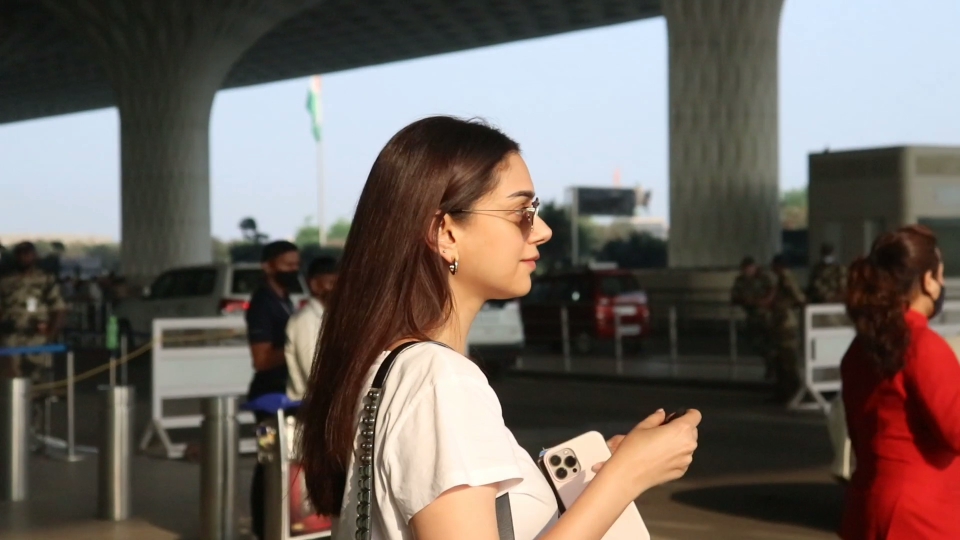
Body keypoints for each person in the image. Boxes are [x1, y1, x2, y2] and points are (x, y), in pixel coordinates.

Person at [297, 116, 701, 540]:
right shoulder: (442, 381)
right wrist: (625, 478)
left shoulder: (389, 366)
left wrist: (605, 475)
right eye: (521, 212)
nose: (542, 231)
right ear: (445, 232)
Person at [840, 225, 960, 539]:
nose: (942, 284)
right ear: (927, 281)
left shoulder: (861, 347)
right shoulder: (923, 344)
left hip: (869, 507)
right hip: (921, 517)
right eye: (940, 275)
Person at [245, 239, 301, 540]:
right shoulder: (262, 304)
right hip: (267, 401)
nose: (294, 271)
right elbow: (261, 358)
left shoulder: (285, 300)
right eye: (287, 265)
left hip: (285, 396)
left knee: (281, 463)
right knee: (267, 461)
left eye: (296, 265)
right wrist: (296, 349)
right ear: (268, 267)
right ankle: (262, 526)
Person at [0, 242, 66, 381]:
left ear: (34, 256)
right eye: (20, 254)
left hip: (37, 335)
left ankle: (37, 400)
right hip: (10, 335)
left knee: (36, 375)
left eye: (27, 254)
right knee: (11, 378)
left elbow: (58, 307)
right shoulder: (5, 281)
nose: (23, 258)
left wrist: (51, 333)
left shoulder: (45, 279)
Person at [284, 256, 337, 401]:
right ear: (315, 285)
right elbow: (312, 372)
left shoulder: (328, 317)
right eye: (332, 283)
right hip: (308, 405)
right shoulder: (305, 320)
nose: (340, 290)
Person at [731, 256, 775, 380]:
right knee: (755, 342)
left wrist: (764, 301)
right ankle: (770, 363)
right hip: (752, 316)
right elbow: (734, 297)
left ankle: (772, 367)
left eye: (749, 268)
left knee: (770, 343)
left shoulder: (764, 278)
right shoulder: (740, 280)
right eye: (744, 269)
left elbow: (772, 291)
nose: (746, 271)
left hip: (766, 316)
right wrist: (745, 301)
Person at [769, 255, 806, 403]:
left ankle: (791, 392)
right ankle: (784, 392)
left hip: (786, 323)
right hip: (782, 322)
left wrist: (785, 305)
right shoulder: (783, 278)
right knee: (780, 358)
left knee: (787, 358)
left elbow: (799, 298)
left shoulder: (786, 278)